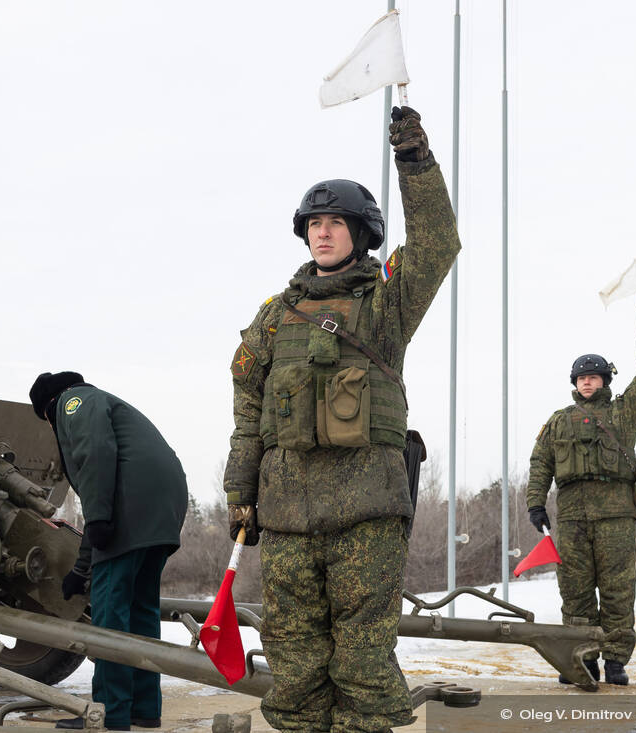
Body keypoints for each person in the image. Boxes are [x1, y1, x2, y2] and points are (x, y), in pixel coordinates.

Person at [223, 106, 460, 732]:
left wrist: (416, 163)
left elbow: (438, 244)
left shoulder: (385, 303)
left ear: (362, 231)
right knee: (295, 667)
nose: (323, 233)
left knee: (362, 666)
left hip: (365, 517)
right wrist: (238, 491)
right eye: (315, 224)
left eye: (336, 223)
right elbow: (249, 405)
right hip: (287, 516)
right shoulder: (274, 317)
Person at [29, 372, 188, 731]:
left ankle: (109, 713)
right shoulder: (109, 404)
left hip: (133, 509)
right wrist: (81, 570)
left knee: (109, 616)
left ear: (47, 408)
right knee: (140, 610)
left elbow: (97, 455)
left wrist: (98, 520)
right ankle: (144, 709)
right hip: (161, 512)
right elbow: (102, 498)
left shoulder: (73, 402)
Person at [526, 302, 636, 687]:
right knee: (576, 594)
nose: (587, 382)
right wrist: (536, 503)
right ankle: (581, 659)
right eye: (582, 378)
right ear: (575, 383)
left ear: (605, 380)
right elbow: (541, 464)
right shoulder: (557, 421)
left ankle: (616, 661)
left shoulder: (623, 414)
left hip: (616, 517)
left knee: (619, 592)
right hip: (571, 519)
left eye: (594, 377)